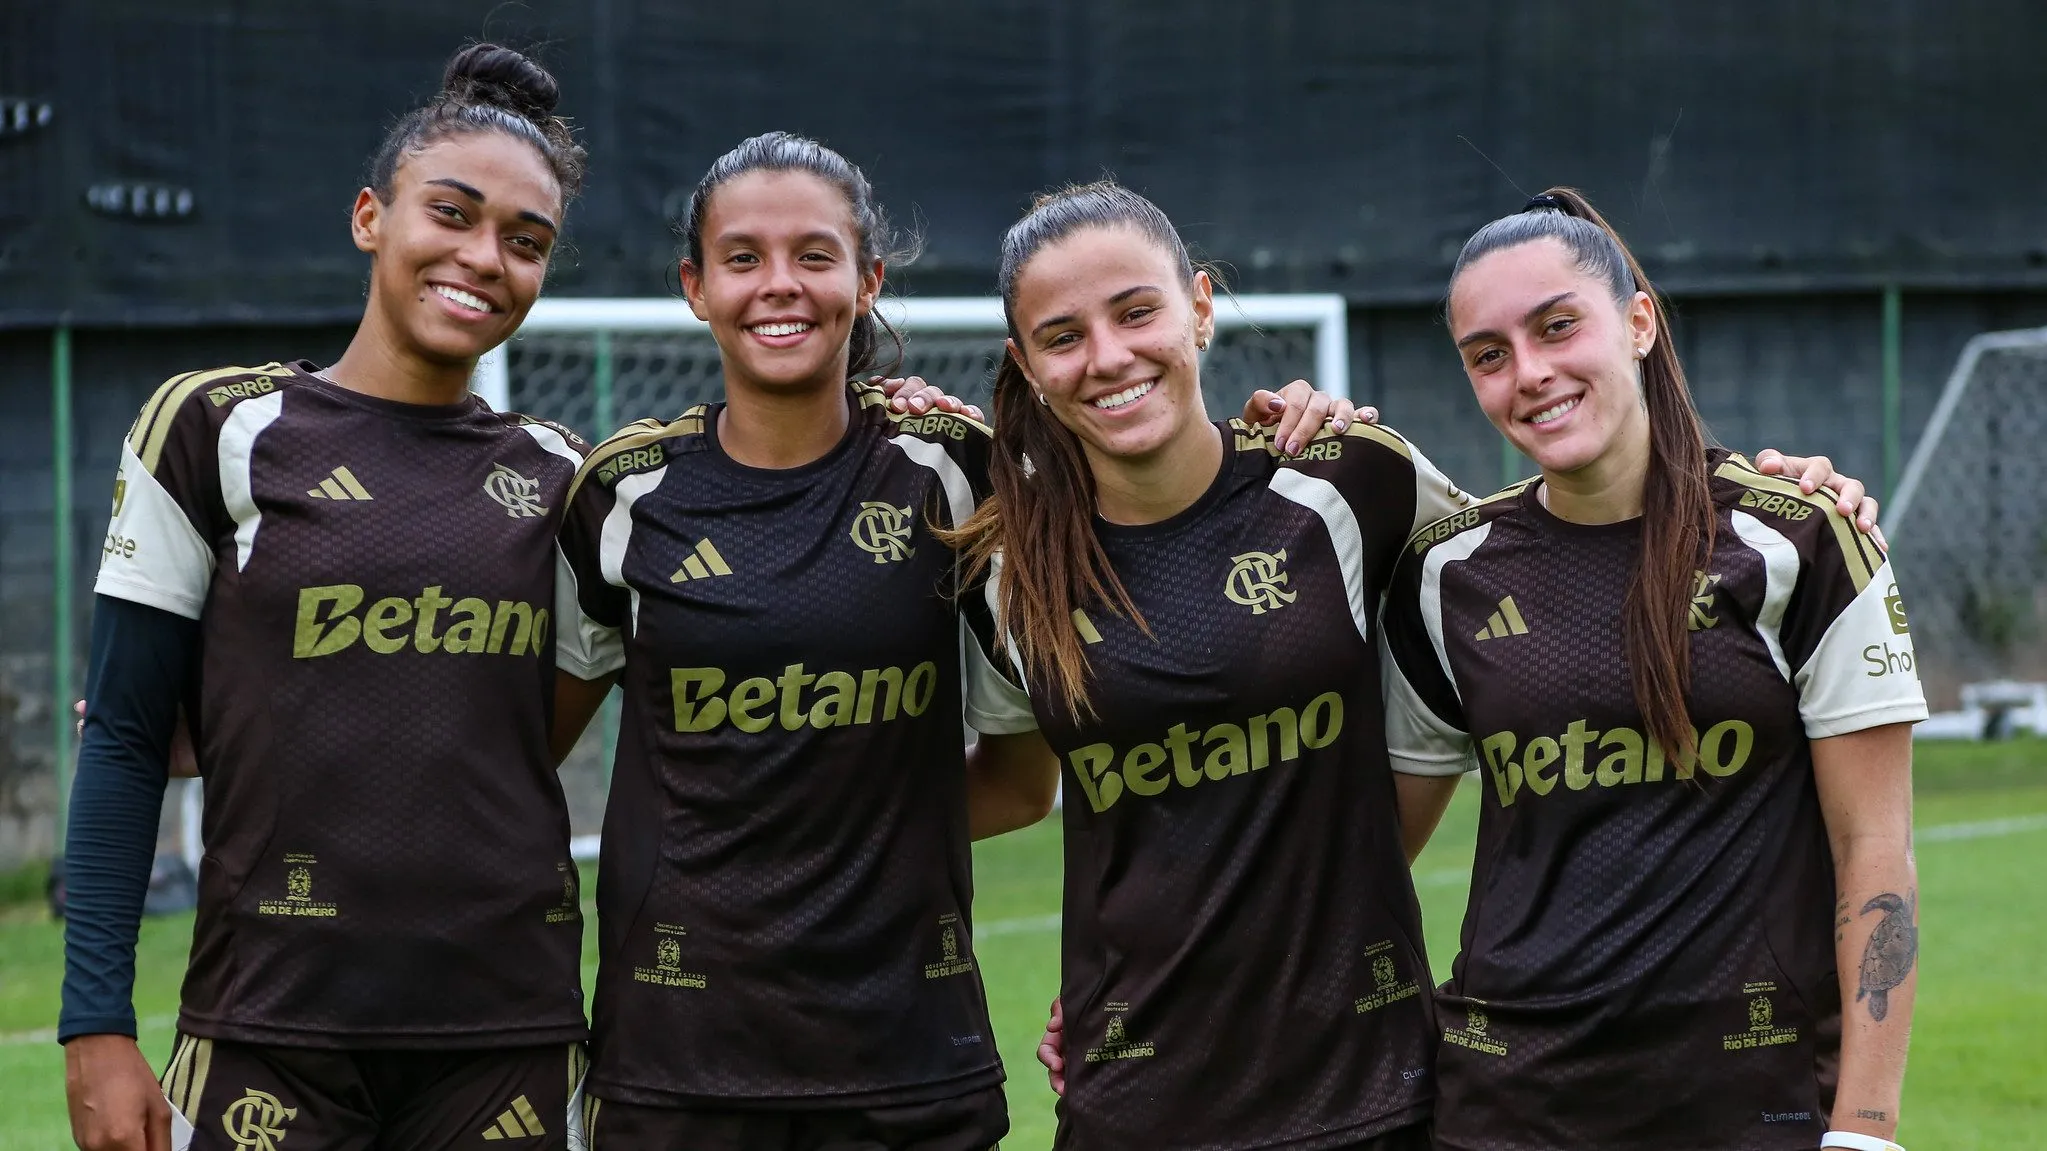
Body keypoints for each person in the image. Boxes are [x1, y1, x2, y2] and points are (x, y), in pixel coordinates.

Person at [58, 50, 974, 1151]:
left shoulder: (574, 481)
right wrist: (95, 1022)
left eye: (526, 241)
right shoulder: (216, 425)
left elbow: (524, 724)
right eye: (451, 214)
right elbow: (122, 736)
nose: (482, 258)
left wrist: (888, 416)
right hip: (269, 1020)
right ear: (369, 216)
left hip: (510, 1036)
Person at [975, 182, 1890, 1151]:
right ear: (1025, 363)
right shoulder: (998, 569)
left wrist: (1786, 496)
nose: (1108, 355)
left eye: (1136, 311)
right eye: (1063, 335)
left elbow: (1562, 541)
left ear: (1199, 306)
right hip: (1132, 1087)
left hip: (1372, 1089)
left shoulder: (1354, 476)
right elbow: (1000, 782)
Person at [1376, 189, 1923, 1151]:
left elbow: (1873, 850)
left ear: (1638, 322)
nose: (1529, 373)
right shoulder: (1445, 573)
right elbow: (1363, 862)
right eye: (1488, 354)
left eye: (1557, 327)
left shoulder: (1801, 539)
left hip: (1753, 1106)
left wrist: (1866, 1128)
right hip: (1508, 1109)